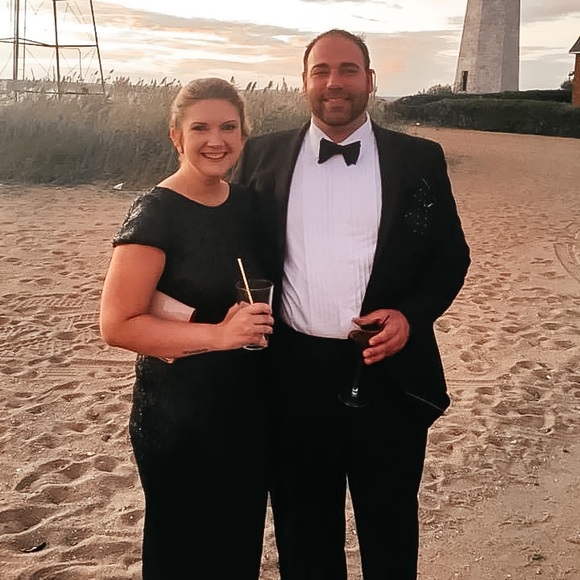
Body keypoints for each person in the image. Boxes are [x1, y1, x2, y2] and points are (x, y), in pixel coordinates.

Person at [233, 29, 471, 579]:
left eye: (347, 69)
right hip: (292, 374)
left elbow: (450, 257)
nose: (334, 82)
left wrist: (411, 316)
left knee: (389, 524)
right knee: (302, 528)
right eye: (321, 71)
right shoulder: (261, 155)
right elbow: (234, 249)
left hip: (386, 369)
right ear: (304, 83)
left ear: (370, 80)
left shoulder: (418, 159)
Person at [99, 77, 274, 580]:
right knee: (182, 554)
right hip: (180, 416)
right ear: (176, 136)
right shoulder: (157, 211)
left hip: (247, 410)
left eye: (228, 127)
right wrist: (219, 335)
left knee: (237, 550)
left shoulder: (248, 205)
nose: (215, 140)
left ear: (243, 135)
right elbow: (117, 324)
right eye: (200, 128)